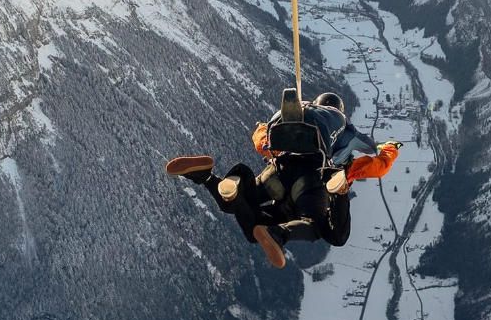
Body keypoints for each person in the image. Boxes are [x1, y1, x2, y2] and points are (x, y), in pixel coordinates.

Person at [166, 92, 401, 268]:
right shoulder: (345, 130)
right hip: (313, 179)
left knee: (247, 215)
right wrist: (390, 147)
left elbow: (261, 139)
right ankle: (287, 229)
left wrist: (264, 132)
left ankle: (209, 177)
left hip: (279, 172)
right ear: (340, 109)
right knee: (326, 231)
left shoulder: (296, 122)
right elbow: (378, 165)